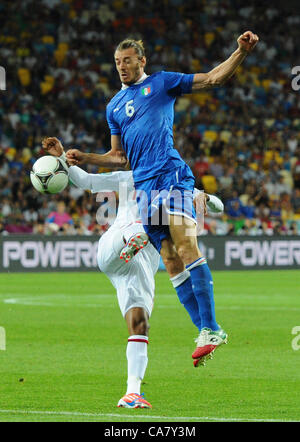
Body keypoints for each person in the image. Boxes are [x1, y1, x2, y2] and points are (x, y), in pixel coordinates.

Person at [48, 31, 259, 366]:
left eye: (127, 61)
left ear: (141, 61)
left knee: (187, 247)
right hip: (145, 187)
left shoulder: (162, 83)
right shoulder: (113, 107)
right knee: (172, 261)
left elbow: (213, 78)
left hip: (170, 175)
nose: (122, 67)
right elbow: (120, 158)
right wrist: (86, 157)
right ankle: (207, 329)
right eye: (117, 62)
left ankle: (210, 328)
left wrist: (241, 52)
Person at [42, 138, 224, 408]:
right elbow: (85, 180)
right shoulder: (128, 177)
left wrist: (204, 197)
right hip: (115, 249)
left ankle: (132, 392)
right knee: (141, 227)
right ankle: (136, 235)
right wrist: (59, 159)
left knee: (139, 325)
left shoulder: (178, 186)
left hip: (140, 268)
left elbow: (219, 205)